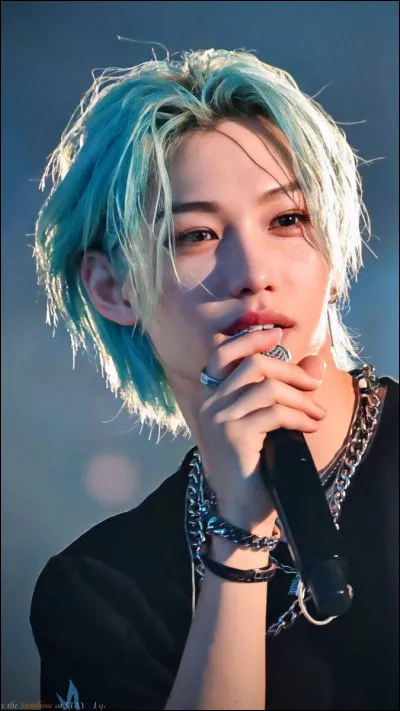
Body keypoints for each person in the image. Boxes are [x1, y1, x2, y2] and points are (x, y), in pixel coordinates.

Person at [29, 48, 398, 710]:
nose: (253, 271)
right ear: (112, 287)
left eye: (288, 219)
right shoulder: (100, 590)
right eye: (195, 235)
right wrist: (239, 539)